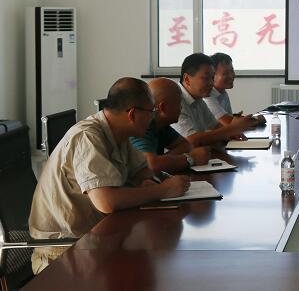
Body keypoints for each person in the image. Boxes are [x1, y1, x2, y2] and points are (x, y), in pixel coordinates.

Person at [28, 78, 191, 273]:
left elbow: (142, 171)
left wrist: (148, 182)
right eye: (151, 112)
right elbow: (106, 202)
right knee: (153, 269)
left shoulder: (118, 134)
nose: (153, 118)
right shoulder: (88, 136)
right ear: (132, 114)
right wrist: (162, 190)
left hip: (97, 240)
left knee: (154, 266)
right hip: (64, 254)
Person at [130, 77, 211, 174]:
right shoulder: (142, 126)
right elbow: (151, 166)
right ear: (163, 107)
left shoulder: (161, 125)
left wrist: (161, 161)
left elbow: (186, 145)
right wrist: (190, 158)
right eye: (179, 102)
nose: (181, 107)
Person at [172, 53, 253, 146]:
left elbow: (216, 126)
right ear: (187, 79)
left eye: (212, 77)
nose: (211, 83)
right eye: (206, 78)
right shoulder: (175, 99)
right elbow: (191, 140)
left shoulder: (198, 98)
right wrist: (232, 129)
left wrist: (232, 133)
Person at [204, 52, 264, 127]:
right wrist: (256, 119)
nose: (231, 76)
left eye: (232, 71)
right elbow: (230, 123)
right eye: (225, 73)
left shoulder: (222, 92)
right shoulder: (208, 97)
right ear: (212, 75)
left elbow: (231, 119)